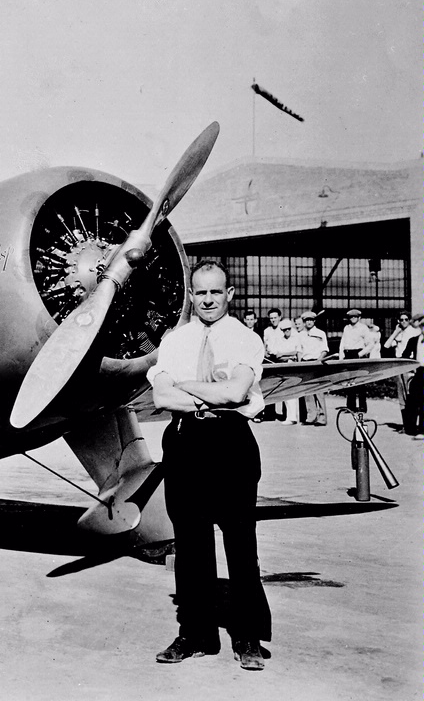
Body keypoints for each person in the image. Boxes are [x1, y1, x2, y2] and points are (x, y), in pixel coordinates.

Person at [148, 260, 271, 671]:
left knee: (240, 542)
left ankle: (247, 636)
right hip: (184, 442)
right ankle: (196, 634)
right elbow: (162, 400)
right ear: (192, 295)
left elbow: (237, 392)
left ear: (230, 294)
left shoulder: (246, 338)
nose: (207, 299)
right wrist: (210, 395)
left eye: (216, 292)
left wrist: (185, 386)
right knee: (191, 544)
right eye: (200, 292)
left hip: (230, 443)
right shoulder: (174, 341)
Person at [384, 311, 420, 432]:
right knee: (402, 398)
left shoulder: (414, 333)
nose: (403, 321)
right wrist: (395, 332)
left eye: (406, 319)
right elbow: (386, 345)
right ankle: (406, 425)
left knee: (412, 397)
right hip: (399, 365)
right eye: (401, 319)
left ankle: (413, 425)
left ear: (409, 320)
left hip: (410, 365)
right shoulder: (399, 333)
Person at [266, 318, 302, 423]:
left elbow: (297, 351)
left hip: (292, 365)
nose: (287, 331)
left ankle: (293, 417)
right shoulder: (280, 340)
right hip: (284, 366)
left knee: (293, 392)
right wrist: (287, 355)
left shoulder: (296, 338)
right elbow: (278, 355)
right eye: (284, 330)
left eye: (288, 329)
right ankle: (290, 417)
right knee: (286, 392)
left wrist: (285, 354)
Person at [298, 311, 329, 425]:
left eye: (311, 320)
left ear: (314, 321)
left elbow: (324, 350)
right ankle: (311, 416)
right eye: (306, 320)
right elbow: (299, 351)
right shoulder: (301, 335)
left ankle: (322, 417)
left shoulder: (320, 333)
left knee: (319, 391)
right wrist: (300, 362)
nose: (309, 322)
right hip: (305, 364)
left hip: (317, 362)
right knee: (308, 392)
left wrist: (318, 361)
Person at [339, 309, 373, 412]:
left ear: (359, 318)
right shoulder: (347, 328)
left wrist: (360, 354)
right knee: (349, 381)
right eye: (351, 317)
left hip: (358, 354)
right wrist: (341, 356)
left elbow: (370, 344)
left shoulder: (363, 328)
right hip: (348, 354)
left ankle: (362, 406)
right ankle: (351, 407)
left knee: (360, 381)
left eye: (355, 317)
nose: (352, 319)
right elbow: (343, 342)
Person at [259, 308, 284, 421]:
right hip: (270, 359)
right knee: (269, 386)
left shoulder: (284, 329)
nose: (273, 320)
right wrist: (265, 353)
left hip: (281, 358)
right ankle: (270, 414)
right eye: (271, 318)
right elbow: (264, 344)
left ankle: (286, 414)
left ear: (280, 317)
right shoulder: (267, 331)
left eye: (275, 317)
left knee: (283, 386)